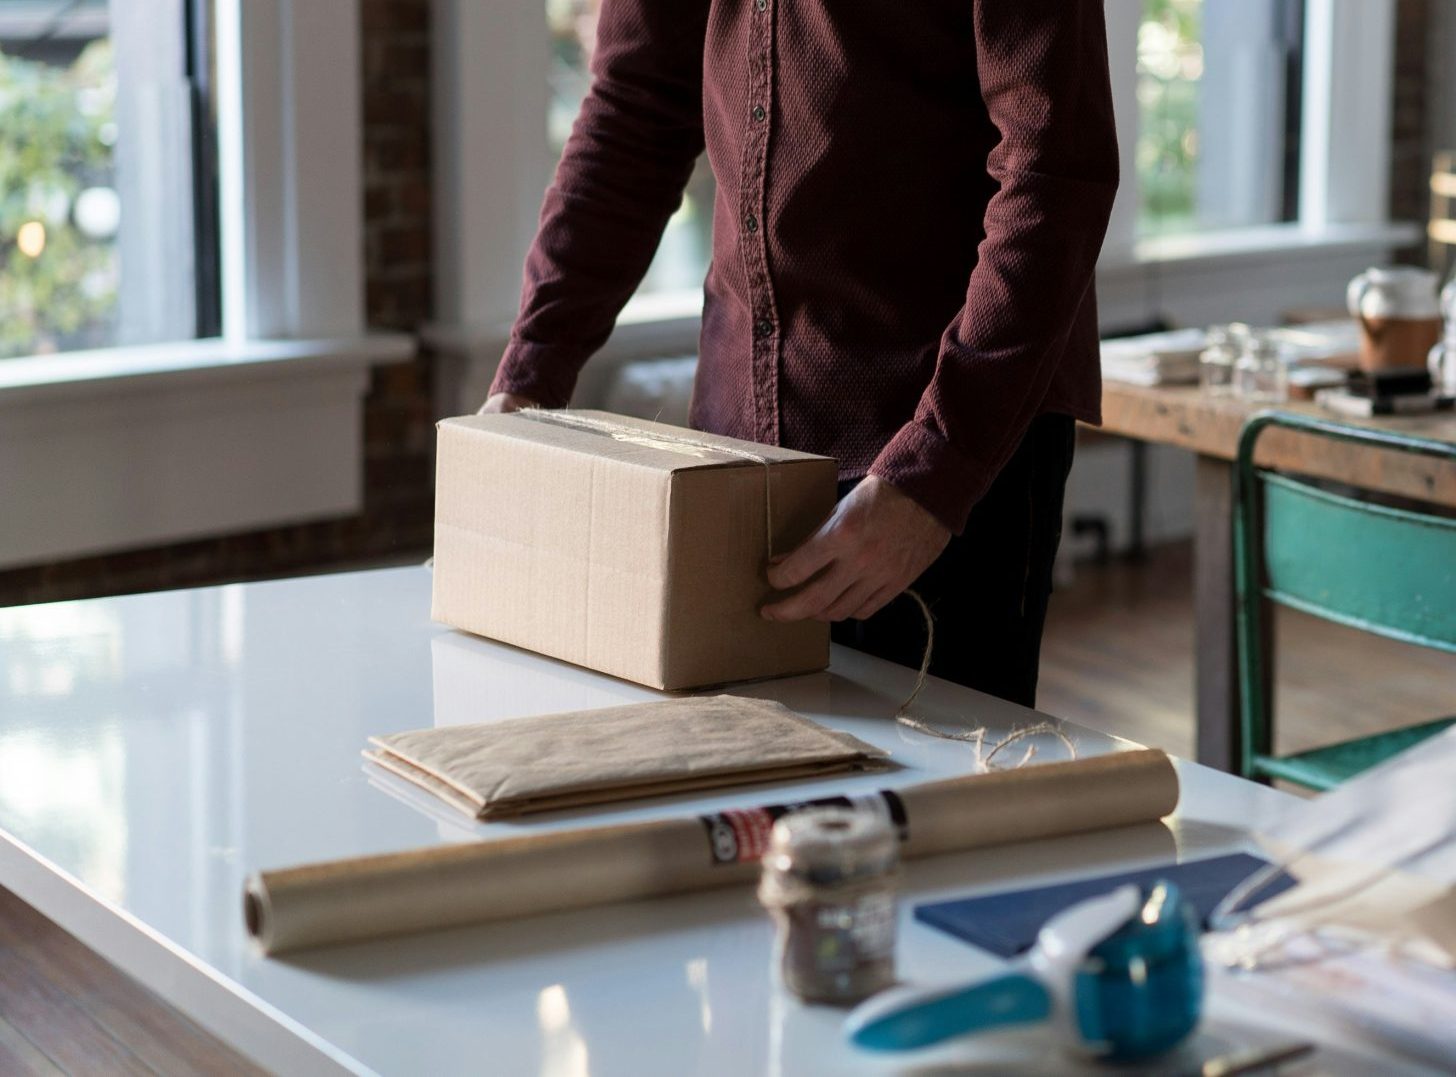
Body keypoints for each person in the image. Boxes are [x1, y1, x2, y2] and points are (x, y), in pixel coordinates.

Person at [483, 0, 1119, 708]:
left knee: (930, 806)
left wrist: (934, 473)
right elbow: (635, 110)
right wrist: (528, 377)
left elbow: (1054, 174)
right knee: (738, 792)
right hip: (735, 449)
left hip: (941, 446)